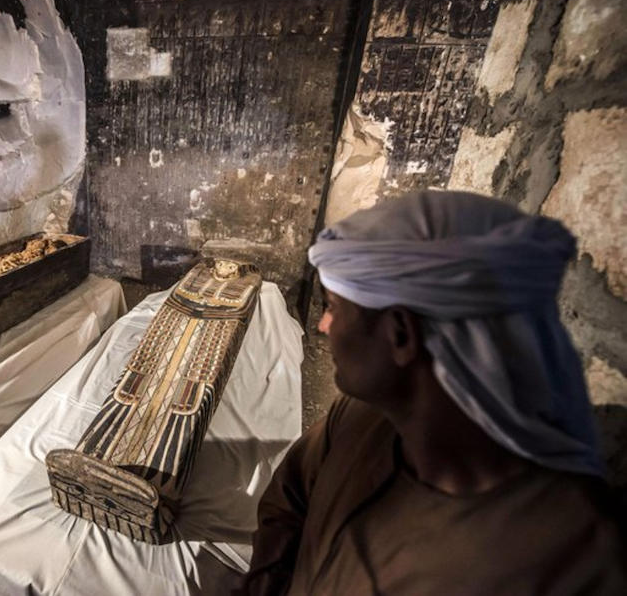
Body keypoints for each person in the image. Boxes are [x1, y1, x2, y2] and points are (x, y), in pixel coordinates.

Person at [242, 191, 626, 595]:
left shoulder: (576, 561)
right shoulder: (356, 419)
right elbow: (288, 500)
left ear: (401, 334)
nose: (323, 326)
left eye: (333, 306)